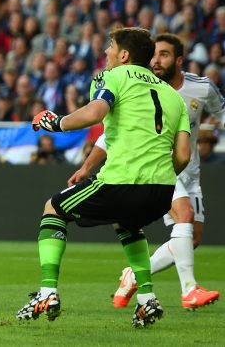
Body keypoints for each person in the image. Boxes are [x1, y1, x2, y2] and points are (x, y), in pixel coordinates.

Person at [16, 27, 190, 328]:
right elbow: (184, 155)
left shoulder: (113, 76)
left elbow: (95, 112)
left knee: (54, 209)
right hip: (162, 190)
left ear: (124, 55)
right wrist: (158, 176)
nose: (106, 52)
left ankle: (47, 292)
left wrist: (56, 122)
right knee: (128, 223)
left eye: (110, 47)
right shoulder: (172, 96)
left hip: (121, 180)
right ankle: (147, 299)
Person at [72, 33, 222, 309]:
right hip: (156, 169)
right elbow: (109, 136)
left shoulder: (200, 89)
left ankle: (134, 275)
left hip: (189, 172)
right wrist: (86, 166)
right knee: (184, 216)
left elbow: (222, 114)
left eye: (164, 55)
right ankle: (189, 289)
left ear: (179, 60)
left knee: (192, 238)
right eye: (154, 55)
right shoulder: (135, 87)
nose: (155, 61)